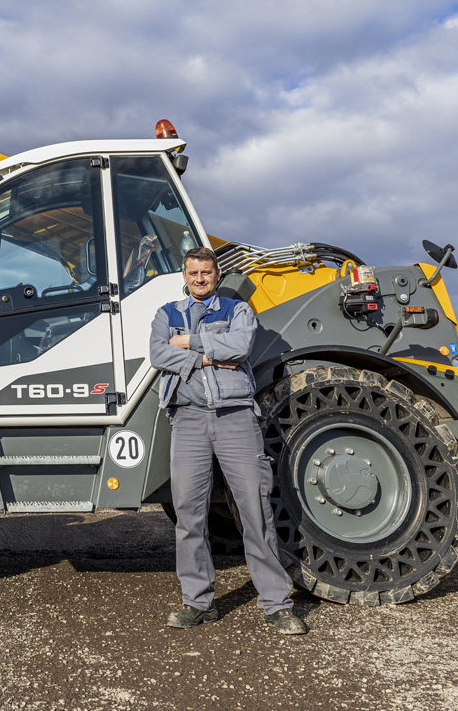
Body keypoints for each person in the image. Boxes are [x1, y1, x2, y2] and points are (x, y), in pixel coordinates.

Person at [149, 247, 308, 635]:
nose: (200, 279)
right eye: (193, 273)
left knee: (255, 509)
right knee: (189, 513)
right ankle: (197, 602)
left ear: (217, 275)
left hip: (235, 417)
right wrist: (204, 357)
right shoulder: (165, 314)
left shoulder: (237, 311)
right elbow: (156, 353)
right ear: (184, 276)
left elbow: (239, 348)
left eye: (206, 272)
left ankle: (277, 603)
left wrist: (187, 343)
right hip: (187, 420)